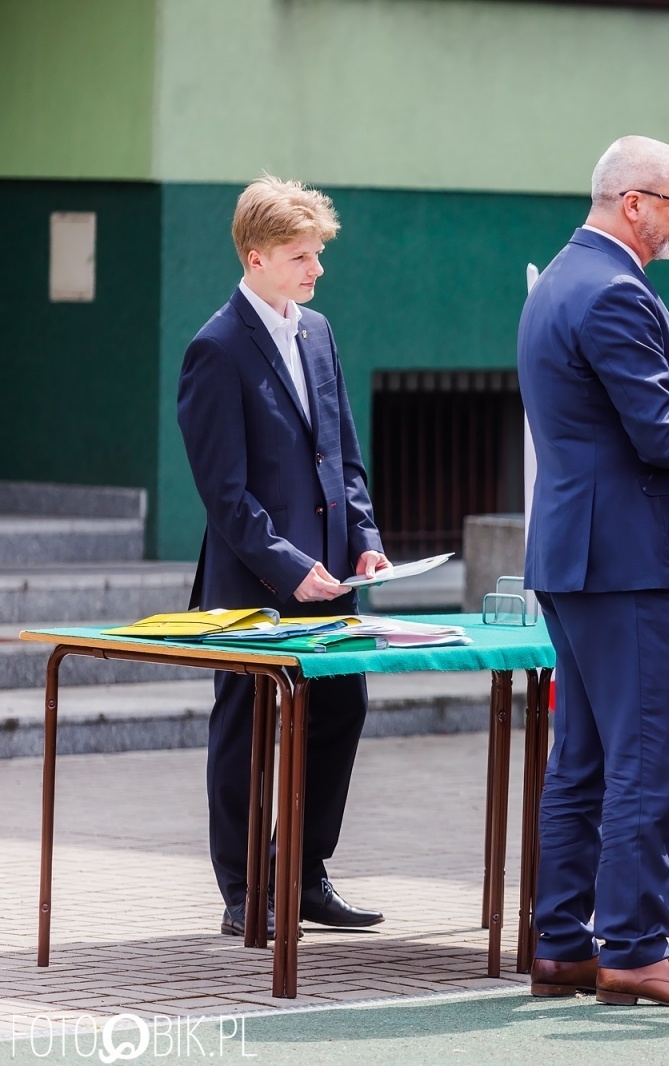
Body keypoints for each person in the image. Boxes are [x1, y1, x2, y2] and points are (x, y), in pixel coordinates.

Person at [518, 135, 669, 1007]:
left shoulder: (566, 282)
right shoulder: (616, 289)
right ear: (634, 204)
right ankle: (638, 951)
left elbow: (619, 421)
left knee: (581, 759)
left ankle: (563, 943)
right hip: (627, 561)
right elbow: (659, 439)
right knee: (645, 756)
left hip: (581, 556)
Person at [177, 175, 390, 937]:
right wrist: (287, 564)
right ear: (258, 256)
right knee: (246, 725)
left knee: (343, 707)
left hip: (332, 578)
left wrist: (365, 542)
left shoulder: (319, 332)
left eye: (317, 255)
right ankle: (243, 891)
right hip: (253, 585)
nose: (316, 270)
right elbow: (225, 494)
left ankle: (301, 873)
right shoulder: (216, 348)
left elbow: (345, 458)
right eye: (302, 257)